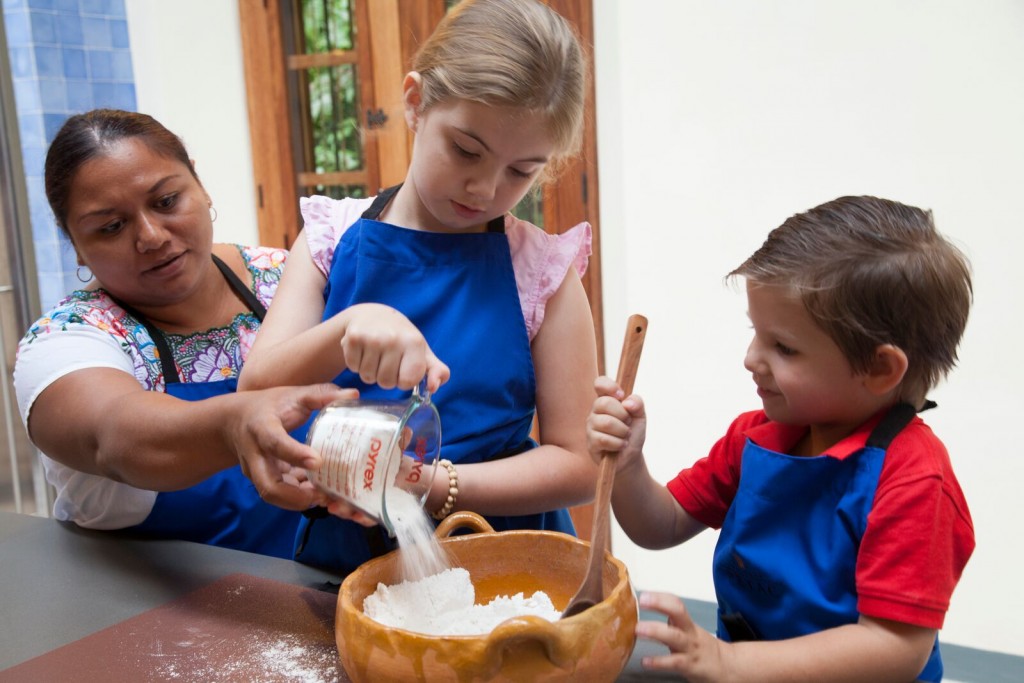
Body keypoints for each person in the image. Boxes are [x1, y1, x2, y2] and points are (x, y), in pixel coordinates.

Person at [238, 0, 599, 572]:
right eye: (465, 150)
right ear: (415, 102)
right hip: (344, 561)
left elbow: (578, 463)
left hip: (500, 561)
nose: (484, 188)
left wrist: (428, 484)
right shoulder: (332, 239)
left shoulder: (541, 271)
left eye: (521, 171)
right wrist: (348, 328)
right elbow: (255, 389)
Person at [586, 196, 975, 682]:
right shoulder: (757, 438)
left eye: (783, 347)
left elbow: (894, 649)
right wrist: (627, 466)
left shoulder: (916, 483)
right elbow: (660, 525)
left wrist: (730, 662)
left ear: (880, 368)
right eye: (756, 332)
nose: (751, 358)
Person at [14, 108, 351, 559]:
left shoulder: (289, 279)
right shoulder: (66, 340)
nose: (151, 236)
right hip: (166, 618)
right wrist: (234, 424)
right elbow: (111, 437)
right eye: (111, 227)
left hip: (335, 594)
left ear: (198, 182)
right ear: (75, 242)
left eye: (166, 201)